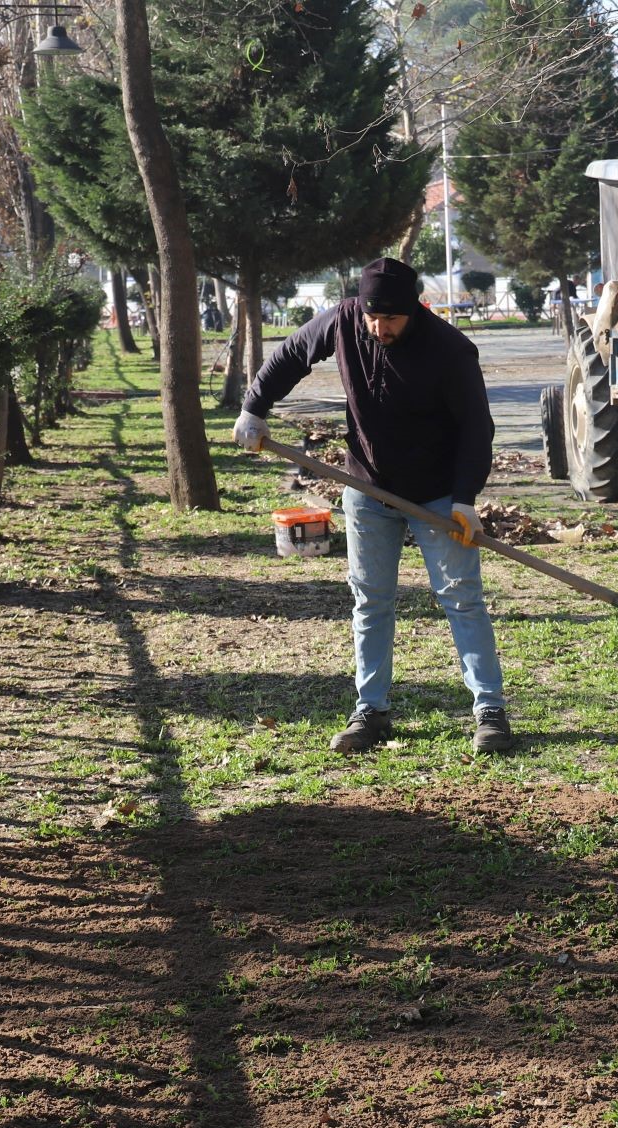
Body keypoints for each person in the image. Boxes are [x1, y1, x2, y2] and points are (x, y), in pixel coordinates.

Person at [233, 256, 512, 755]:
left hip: (437, 494)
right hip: (366, 486)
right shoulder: (344, 319)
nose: (379, 329)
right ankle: (371, 710)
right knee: (371, 599)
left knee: (461, 596)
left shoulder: (450, 350)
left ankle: (489, 710)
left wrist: (466, 499)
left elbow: (477, 428)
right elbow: (294, 352)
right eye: (372, 319)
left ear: (415, 310)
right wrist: (255, 407)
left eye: (392, 320)